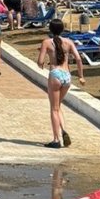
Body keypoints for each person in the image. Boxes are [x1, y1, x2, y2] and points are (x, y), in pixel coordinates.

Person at [37, 20, 85, 148]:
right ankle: (63, 130)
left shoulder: (47, 42)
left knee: (54, 108)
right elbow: (78, 58)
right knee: (58, 106)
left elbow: (40, 62)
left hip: (55, 74)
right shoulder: (69, 42)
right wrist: (81, 76)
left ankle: (56, 139)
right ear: (63, 29)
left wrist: (44, 55)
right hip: (67, 76)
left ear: (50, 29)